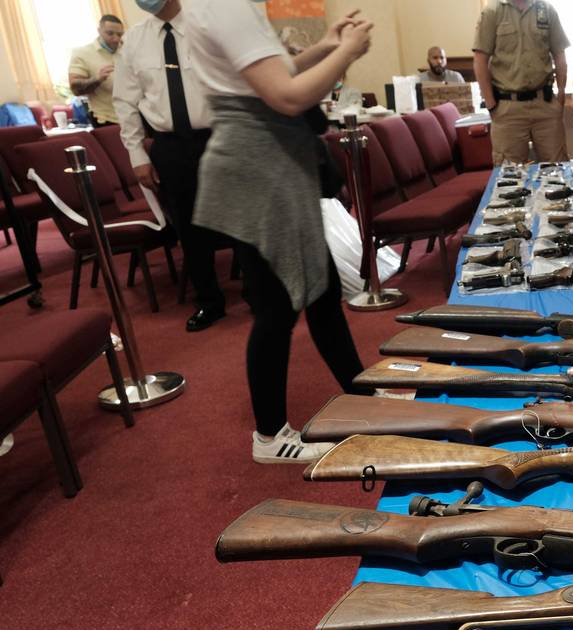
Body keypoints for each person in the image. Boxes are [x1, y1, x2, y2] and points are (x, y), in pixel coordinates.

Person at [186, 0, 373, 464]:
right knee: (276, 308)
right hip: (258, 167)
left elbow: (271, 75)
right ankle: (269, 435)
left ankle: (366, 400)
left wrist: (327, 47)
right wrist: (346, 52)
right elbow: (288, 96)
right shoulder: (224, 6)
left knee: (322, 293)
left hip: (265, 163)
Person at [114, 0, 235, 333]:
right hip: (170, 146)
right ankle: (209, 302)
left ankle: (258, 293)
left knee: (242, 220)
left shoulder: (209, 26)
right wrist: (137, 155)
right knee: (189, 229)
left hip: (221, 136)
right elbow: (125, 102)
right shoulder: (135, 40)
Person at [473, 0, 570, 163]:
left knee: (557, 168)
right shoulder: (493, 11)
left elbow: (559, 55)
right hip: (507, 108)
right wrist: (490, 104)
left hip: (545, 105)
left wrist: (561, 94)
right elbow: (480, 59)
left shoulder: (546, 10)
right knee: (509, 175)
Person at [69, 15, 125, 126]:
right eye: (110, 33)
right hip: (107, 119)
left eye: (119, 34)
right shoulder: (82, 53)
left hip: (135, 116)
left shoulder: (126, 50)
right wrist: (97, 79)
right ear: (99, 31)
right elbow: (75, 88)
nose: (116, 39)